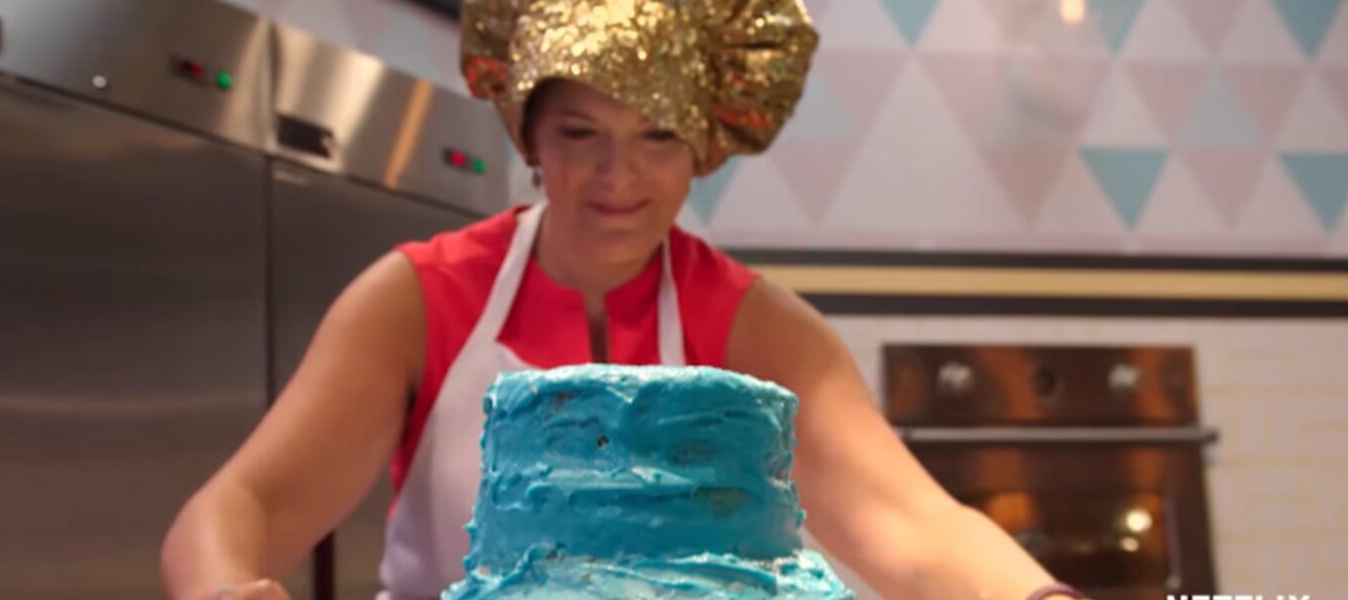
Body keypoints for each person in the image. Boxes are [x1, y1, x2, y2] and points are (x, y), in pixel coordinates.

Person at [162, 1, 1087, 598]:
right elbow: (247, 502)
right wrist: (221, 586)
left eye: (658, 136)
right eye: (579, 132)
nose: (618, 177)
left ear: (703, 149)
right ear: (527, 133)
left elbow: (911, 524)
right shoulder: (421, 298)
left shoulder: (752, 322)